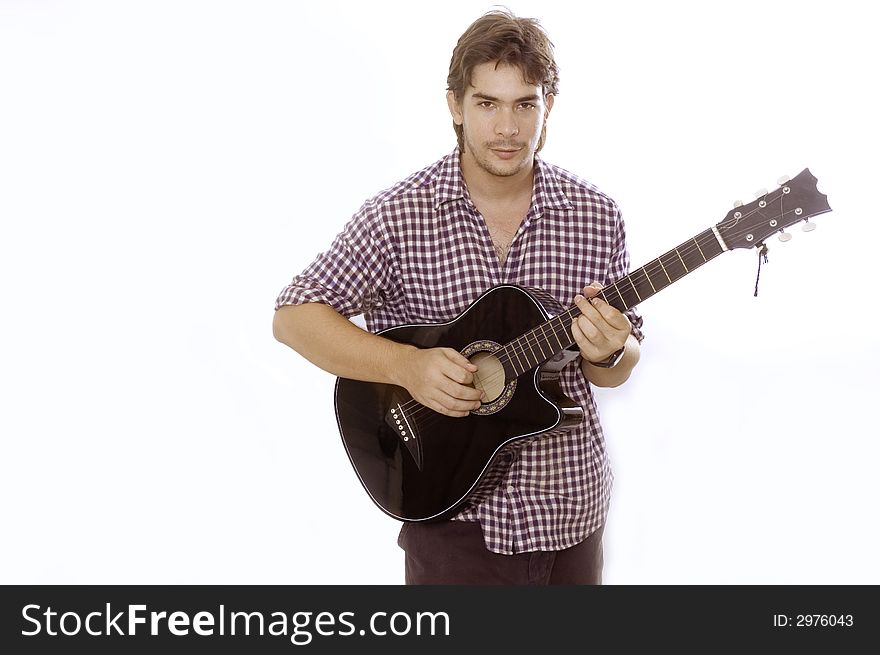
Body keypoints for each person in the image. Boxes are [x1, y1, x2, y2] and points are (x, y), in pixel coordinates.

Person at [273, 9, 643, 585]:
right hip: (449, 515)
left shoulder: (597, 216)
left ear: (549, 107)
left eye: (526, 104)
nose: (507, 128)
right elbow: (294, 317)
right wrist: (407, 366)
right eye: (487, 103)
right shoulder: (397, 215)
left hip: (572, 511)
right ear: (454, 104)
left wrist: (608, 353)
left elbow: (616, 368)